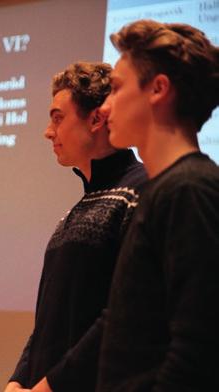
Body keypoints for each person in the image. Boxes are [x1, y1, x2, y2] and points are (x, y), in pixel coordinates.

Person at [6, 62, 147, 392]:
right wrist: (19, 378)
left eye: (58, 118)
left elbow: (124, 315)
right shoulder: (70, 216)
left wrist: (51, 385)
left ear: (96, 119)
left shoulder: (142, 191)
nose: (48, 131)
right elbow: (48, 325)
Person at [97, 19, 219, 391]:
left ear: (158, 89)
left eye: (116, 89)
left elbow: (197, 352)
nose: (104, 107)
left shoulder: (191, 190)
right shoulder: (164, 190)